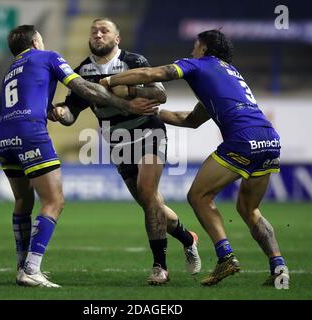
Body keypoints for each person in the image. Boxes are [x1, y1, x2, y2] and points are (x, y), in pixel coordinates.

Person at [99, 29, 289, 287]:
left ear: (204, 48)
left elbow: (151, 73)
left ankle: (226, 257)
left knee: (198, 196)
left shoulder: (200, 65)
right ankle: (279, 268)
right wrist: (154, 114)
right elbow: (191, 120)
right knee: (249, 209)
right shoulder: (227, 75)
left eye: (195, 46)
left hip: (243, 140)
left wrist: (110, 81)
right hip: (269, 140)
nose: (191, 51)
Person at [0, 24, 160, 288]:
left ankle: (21, 266)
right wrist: (126, 104)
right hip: (29, 133)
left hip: (4, 136)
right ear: (36, 41)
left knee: (22, 201)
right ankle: (31, 268)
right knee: (54, 201)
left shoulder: (9, 70)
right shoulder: (47, 56)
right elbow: (83, 88)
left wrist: (57, 111)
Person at [51, 18, 201, 285]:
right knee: (150, 202)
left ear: (116, 39)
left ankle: (160, 267)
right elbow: (73, 111)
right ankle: (188, 238)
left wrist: (129, 89)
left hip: (148, 132)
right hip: (117, 143)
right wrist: (60, 112)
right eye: (94, 31)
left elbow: (160, 94)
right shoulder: (82, 72)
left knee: (147, 191)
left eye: (104, 31)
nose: (98, 35)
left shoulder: (134, 61)